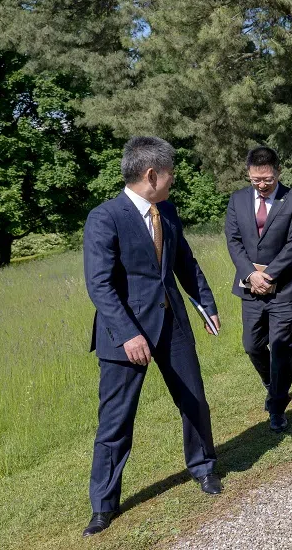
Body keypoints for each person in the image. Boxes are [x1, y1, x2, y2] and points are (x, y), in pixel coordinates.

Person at [82, 136, 222, 537]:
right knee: (115, 421)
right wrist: (128, 334)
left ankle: (204, 468)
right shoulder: (104, 217)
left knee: (194, 401)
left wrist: (205, 303)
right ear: (151, 174)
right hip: (123, 336)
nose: (173, 180)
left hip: (172, 325)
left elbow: (185, 263)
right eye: (170, 174)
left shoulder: (168, 211)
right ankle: (103, 505)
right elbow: (100, 285)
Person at [225, 146, 292, 433]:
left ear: (278, 172)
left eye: (267, 180)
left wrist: (270, 274)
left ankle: (276, 406)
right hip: (249, 288)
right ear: (248, 175)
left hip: (283, 288)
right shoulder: (237, 200)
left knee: (282, 347)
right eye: (255, 180)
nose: (261, 185)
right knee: (252, 344)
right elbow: (233, 240)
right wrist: (251, 275)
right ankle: (272, 383)